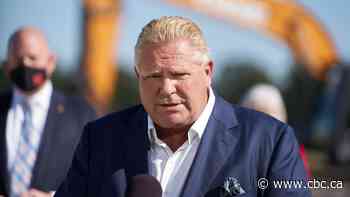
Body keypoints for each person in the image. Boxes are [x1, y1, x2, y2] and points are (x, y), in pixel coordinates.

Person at [55, 16, 310, 197]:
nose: (166, 88)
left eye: (178, 75)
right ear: (137, 76)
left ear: (208, 71)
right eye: (153, 76)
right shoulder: (100, 139)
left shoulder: (270, 141)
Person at [0, 27, 96, 197]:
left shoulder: (81, 114)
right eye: (18, 59)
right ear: (7, 66)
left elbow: (97, 179)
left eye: (33, 57)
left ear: (51, 62)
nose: (25, 64)